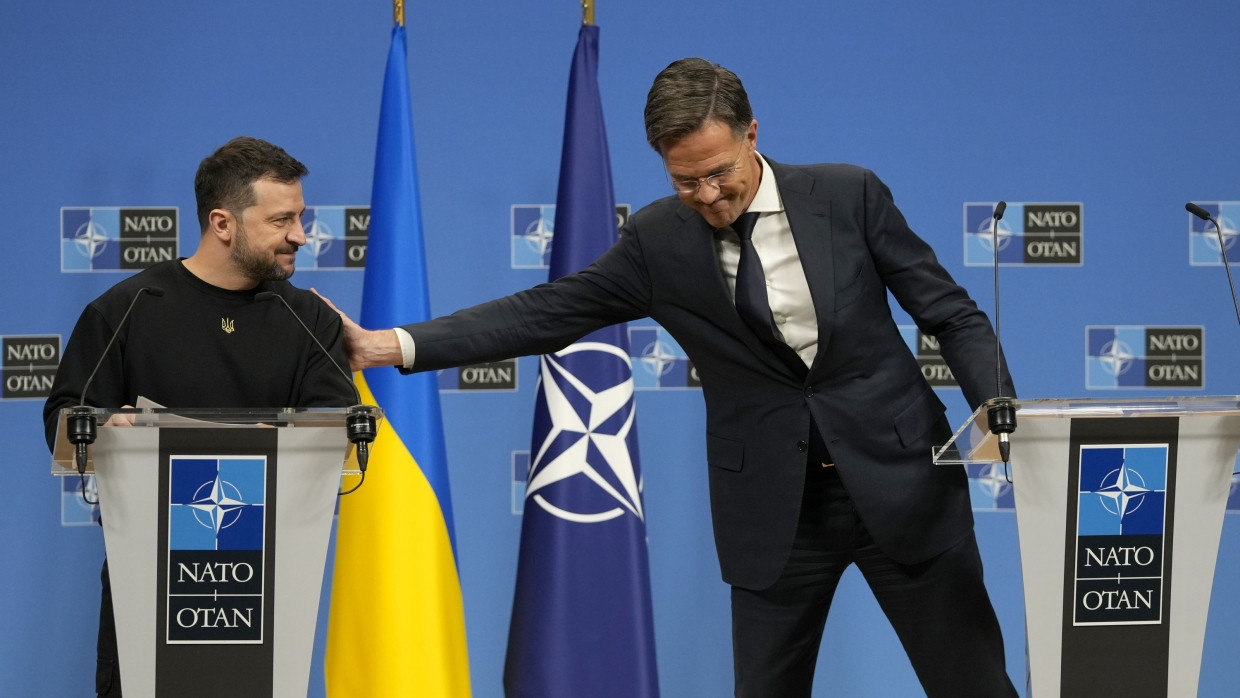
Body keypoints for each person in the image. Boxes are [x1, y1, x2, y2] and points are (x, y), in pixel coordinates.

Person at [331, 58, 1018, 696]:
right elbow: (544, 312)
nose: (710, 196)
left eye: (720, 172)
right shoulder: (657, 242)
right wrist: (391, 345)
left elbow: (950, 313)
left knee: (974, 684)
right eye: (685, 181)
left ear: (753, 134)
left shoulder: (848, 195)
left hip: (901, 486)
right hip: (775, 515)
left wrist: (995, 401)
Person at [42, 136, 356, 697]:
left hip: (266, 580)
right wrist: (106, 432)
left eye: (301, 217)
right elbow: (66, 420)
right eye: (281, 219)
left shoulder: (311, 319)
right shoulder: (127, 309)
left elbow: (333, 427)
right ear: (223, 222)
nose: (300, 236)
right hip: (150, 580)